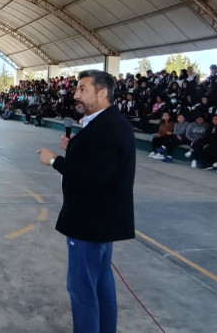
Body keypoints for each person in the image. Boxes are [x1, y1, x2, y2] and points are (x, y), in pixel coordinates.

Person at [38, 70, 134, 333]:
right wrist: (75, 148)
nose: (75, 94)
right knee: (102, 286)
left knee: (82, 290)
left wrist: (55, 160)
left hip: (89, 222)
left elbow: (93, 178)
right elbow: (99, 162)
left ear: (102, 93)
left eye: (82, 89)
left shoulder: (106, 127)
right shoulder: (108, 123)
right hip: (103, 221)